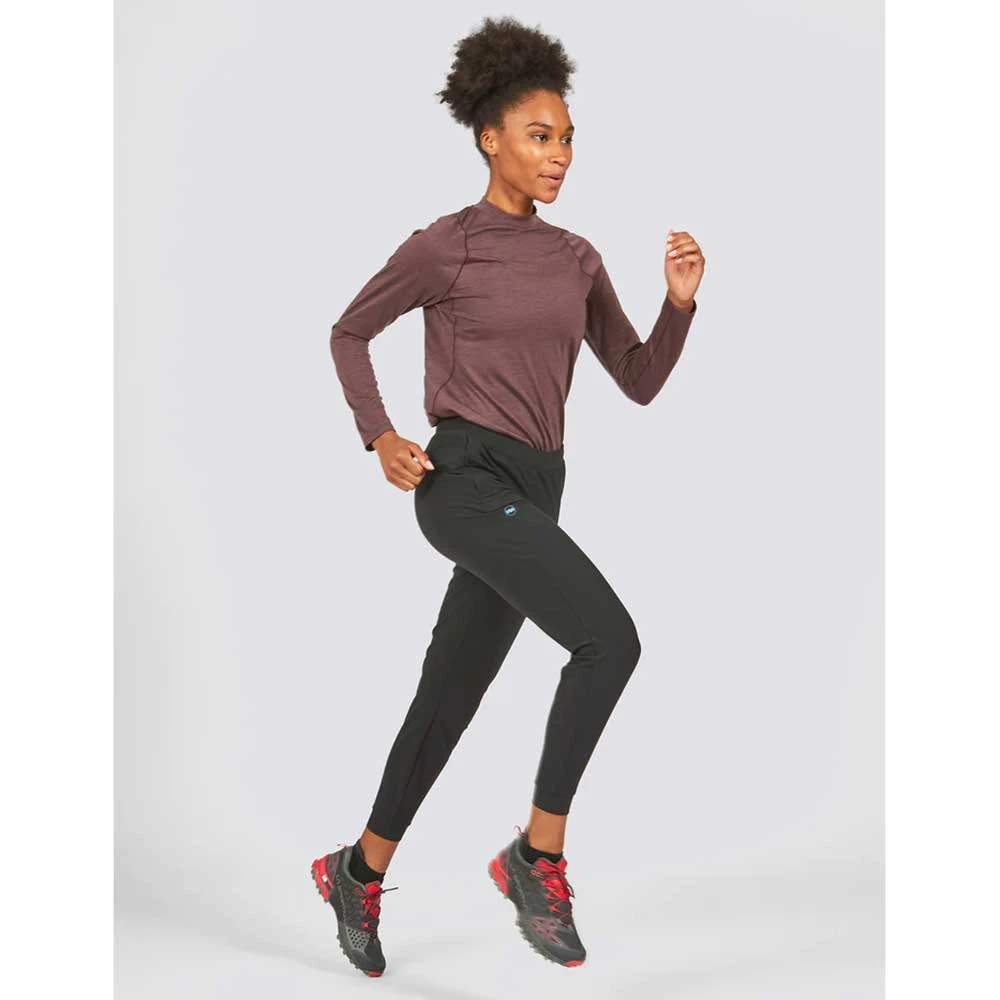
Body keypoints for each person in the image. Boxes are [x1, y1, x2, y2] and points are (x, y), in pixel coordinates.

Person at [310, 14, 705, 977]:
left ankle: (356, 871)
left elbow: (639, 379)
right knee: (610, 641)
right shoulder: (444, 246)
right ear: (490, 138)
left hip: (538, 487)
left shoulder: (577, 259)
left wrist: (679, 304)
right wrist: (381, 434)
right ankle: (537, 856)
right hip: (464, 480)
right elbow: (350, 332)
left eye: (567, 137)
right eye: (539, 135)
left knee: (449, 693)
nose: (559, 153)